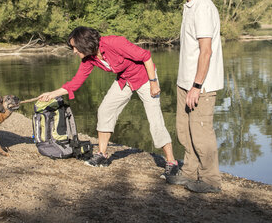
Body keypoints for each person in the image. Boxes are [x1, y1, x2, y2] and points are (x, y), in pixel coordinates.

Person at [38, 26, 178, 178]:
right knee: (105, 110)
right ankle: (102, 156)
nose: (74, 51)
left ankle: (171, 163)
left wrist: (153, 82)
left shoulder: (114, 43)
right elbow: (76, 82)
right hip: (124, 80)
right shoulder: (89, 58)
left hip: (145, 77)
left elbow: (146, 56)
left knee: (155, 119)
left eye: (75, 47)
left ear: (85, 43)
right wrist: (52, 94)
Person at [165, 0, 224, 193]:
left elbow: (206, 51)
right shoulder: (189, 5)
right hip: (185, 83)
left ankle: (211, 180)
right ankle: (189, 171)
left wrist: (197, 86)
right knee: (184, 130)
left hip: (201, 85)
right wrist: (187, 84)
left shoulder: (203, 7)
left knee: (201, 132)